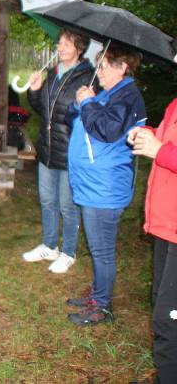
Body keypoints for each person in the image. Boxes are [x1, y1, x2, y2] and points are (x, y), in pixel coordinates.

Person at [64, 45, 145, 326]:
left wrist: (88, 103)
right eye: (98, 66)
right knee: (98, 247)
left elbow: (108, 130)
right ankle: (98, 295)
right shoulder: (113, 94)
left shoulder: (127, 96)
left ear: (123, 67)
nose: (98, 73)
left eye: (104, 66)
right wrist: (82, 103)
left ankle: (102, 306)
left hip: (105, 187)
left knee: (102, 250)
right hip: (94, 184)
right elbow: (78, 119)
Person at [22, 30, 94, 274]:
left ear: (79, 48)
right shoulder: (53, 74)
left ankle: (69, 252)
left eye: (66, 44)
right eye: (59, 43)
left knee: (67, 205)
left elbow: (81, 115)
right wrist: (35, 90)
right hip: (47, 148)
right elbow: (43, 109)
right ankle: (50, 245)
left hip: (69, 151)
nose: (60, 48)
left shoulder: (87, 77)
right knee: (47, 200)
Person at [129, 97, 177, 381]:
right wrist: (146, 134)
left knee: (169, 320)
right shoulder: (174, 102)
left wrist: (161, 150)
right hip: (166, 223)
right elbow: (164, 139)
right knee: (162, 307)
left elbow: (166, 150)